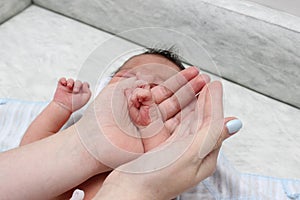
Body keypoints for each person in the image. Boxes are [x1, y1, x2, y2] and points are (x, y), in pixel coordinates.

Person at [0, 49, 242, 199]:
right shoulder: (79, 126)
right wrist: (60, 108)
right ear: (105, 89)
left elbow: (157, 164)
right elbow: (33, 144)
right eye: (127, 77)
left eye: (157, 85)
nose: (140, 87)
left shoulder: (157, 150)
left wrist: (150, 127)